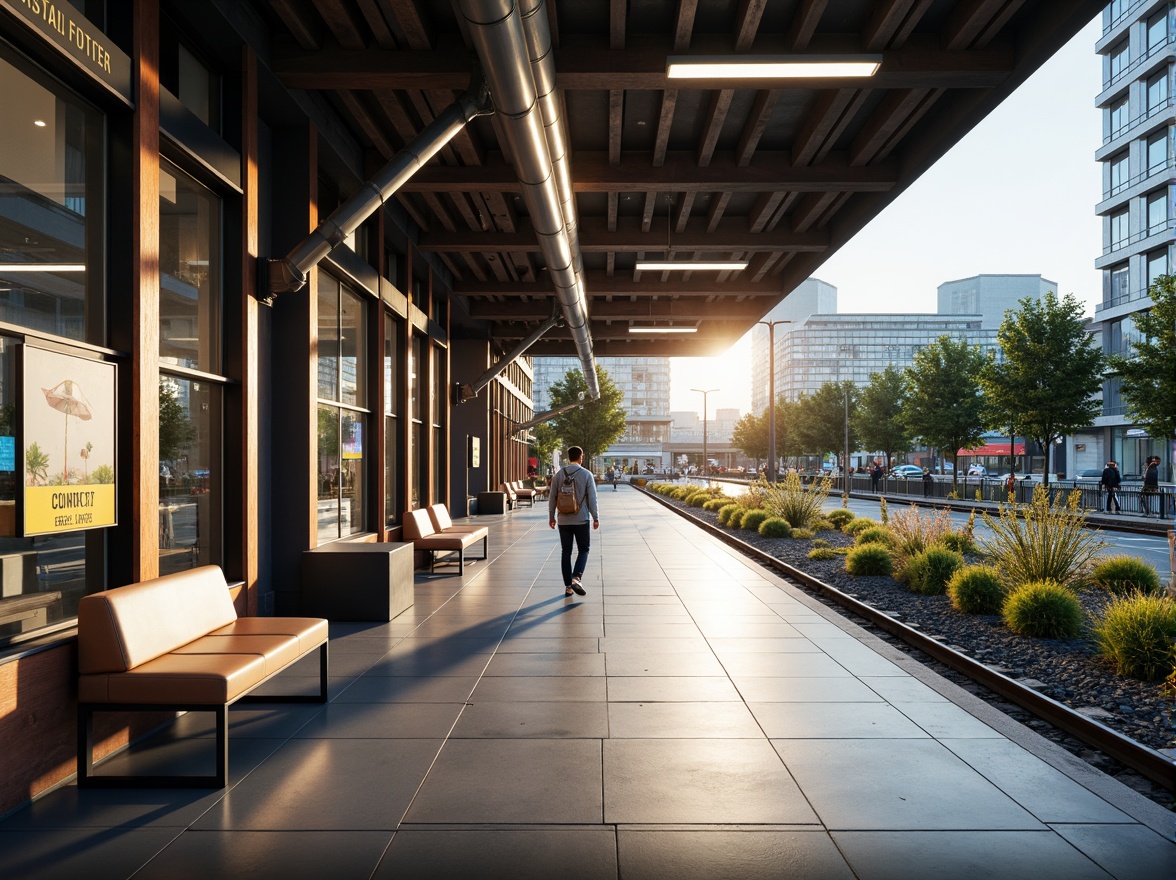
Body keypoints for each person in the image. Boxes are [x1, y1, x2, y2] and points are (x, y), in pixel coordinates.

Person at [549, 446, 599, 596]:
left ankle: (568, 587)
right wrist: (595, 517)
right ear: (580, 457)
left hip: (563, 519)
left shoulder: (558, 475)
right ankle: (576, 577)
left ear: (568, 457)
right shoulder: (586, 474)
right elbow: (592, 499)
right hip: (581, 519)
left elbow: (552, 497)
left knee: (566, 551)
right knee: (584, 549)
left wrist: (551, 516)